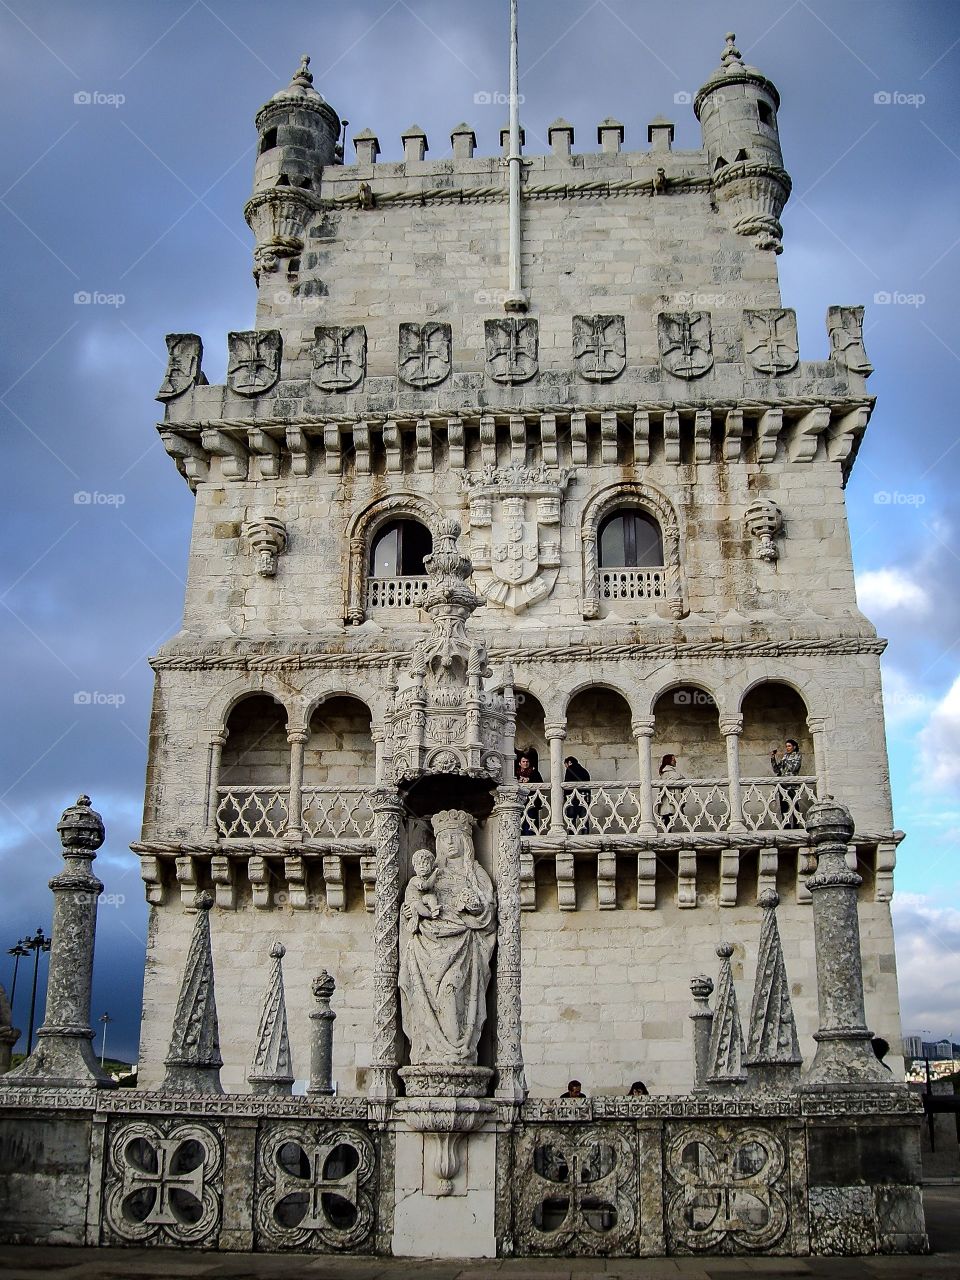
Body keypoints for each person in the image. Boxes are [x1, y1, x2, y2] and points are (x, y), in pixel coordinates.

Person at [771, 738, 802, 827]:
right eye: (786, 746)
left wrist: (785, 760)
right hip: (783, 785)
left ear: (794, 747)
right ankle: (786, 826)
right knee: (784, 807)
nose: (787, 748)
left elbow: (794, 768)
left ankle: (796, 826)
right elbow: (777, 770)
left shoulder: (797, 755)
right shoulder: (785, 756)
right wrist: (773, 758)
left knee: (794, 805)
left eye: (789, 746)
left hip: (793, 786)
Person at [407, 848, 440, 929]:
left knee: (431, 897)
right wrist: (435, 873)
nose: (422, 866)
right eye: (419, 864)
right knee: (417, 904)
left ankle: (434, 910)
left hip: (422, 899)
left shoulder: (430, 880)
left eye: (426, 863)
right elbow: (426, 886)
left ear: (432, 866)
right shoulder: (415, 879)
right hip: (412, 902)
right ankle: (430, 915)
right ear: (414, 868)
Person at [516, 748, 544, 835]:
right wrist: (518, 781)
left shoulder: (534, 772)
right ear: (520, 763)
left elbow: (540, 784)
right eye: (523, 761)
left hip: (532, 801)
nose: (525, 763)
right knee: (519, 822)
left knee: (531, 822)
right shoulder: (515, 773)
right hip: (518, 801)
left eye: (527, 762)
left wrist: (530, 780)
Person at [563, 755, 591, 834]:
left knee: (571, 819)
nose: (566, 767)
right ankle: (585, 835)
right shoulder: (584, 771)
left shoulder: (570, 769)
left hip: (573, 798)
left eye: (566, 765)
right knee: (584, 819)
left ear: (569, 762)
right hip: (584, 797)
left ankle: (572, 835)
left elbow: (567, 784)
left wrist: (565, 798)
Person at [656, 753, 684, 831]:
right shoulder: (668, 772)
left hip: (668, 800)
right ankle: (667, 833)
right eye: (673, 760)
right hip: (668, 801)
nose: (675, 761)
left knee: (668, 819)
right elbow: (681, 777)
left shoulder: (666, 772)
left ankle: (667, 832)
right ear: (669, 761)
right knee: (668, 818)